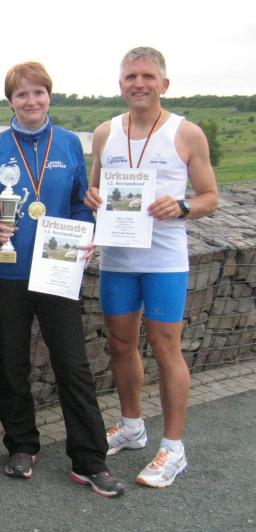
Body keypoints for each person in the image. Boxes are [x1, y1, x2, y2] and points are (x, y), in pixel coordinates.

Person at [0, 62, 125, 498]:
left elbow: (80, 203)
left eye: (37, 92)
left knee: (73, 364)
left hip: (58, 270)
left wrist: (85, 233)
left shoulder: (69, 143)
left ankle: (89, 460)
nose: (31, 100)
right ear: (10, 101)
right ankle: (21, 446)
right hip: (7, 273)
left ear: (49, 96)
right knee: (12, 363)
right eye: (21, 94)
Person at [84, 47, 218, 488]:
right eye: (130, 76)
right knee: (121, 345)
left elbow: (210, 197)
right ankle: (132, 426)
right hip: (118, 260)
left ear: (164, 83)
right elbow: (94, 191)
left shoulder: (186, 133)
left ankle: (173, 448)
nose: (138, 83)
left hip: (164, 261)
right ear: (120, 84)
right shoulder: (105, 133)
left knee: (165, 349)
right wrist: (92, 198)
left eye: (147, 76)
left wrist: (182, 206)